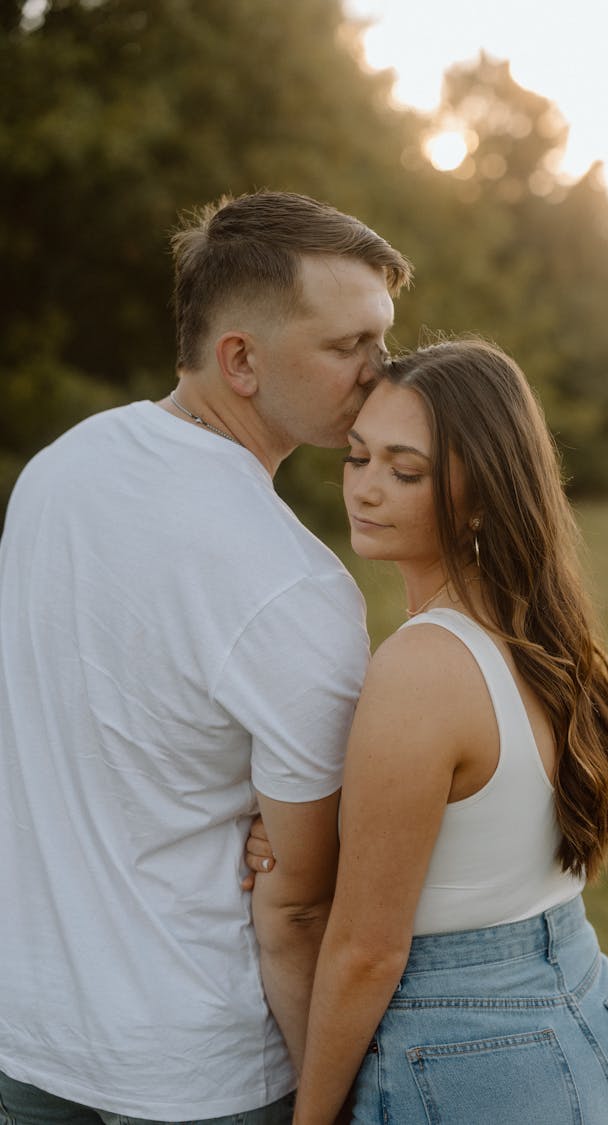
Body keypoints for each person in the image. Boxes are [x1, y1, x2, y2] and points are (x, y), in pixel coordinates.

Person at [0, 190, 412, 1125]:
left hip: (27, 1028)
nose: (382, 373)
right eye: (349, 346)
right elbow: (303, 913)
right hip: (198, 1068)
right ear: (242, 361)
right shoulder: (294, 587)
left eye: (382, 340)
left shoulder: (56, 471)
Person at [248, 338, 608, 1124]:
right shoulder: (547, 636)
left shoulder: (422, 666)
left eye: (405, 471)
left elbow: (367, 950)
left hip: (478, 1059)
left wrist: (311, 1118)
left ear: (482, 496)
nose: (366, 489)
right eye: (357, 457)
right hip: (598, 1017)